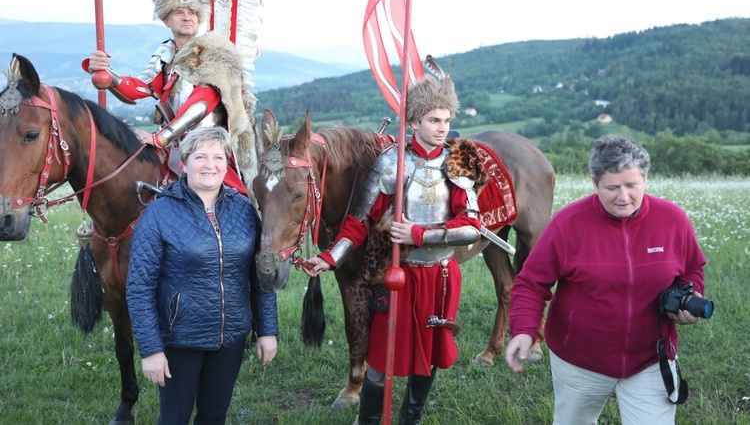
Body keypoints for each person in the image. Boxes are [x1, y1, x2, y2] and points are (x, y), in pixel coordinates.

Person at [304, 73, 482, 424]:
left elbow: (472, 227)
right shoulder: (390, 162)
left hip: (440, 275)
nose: (443, 128)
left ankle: (410, 419)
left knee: (429, 354)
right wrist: (330, 257)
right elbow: (358, 221)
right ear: (414, 122)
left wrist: (418, 233)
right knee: (381, 355)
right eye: (434, 120)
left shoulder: (458, 162)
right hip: (397, 276)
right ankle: (369, 420)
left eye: (447, 120)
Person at [505, 134, 707, 425]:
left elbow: (692, 270)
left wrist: (691, 295)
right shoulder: (567, 224)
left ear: (645, 179)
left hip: (651, 358)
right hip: (579, 361)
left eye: (631, 185)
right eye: (612, 187)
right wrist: (524, 329)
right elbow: (531, 283)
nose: (623, 196)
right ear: (595, 183)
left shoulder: (673, 220)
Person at [127, 126, 278, 424]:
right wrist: (151, 350)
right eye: (200, 157)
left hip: (231, 337)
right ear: (184, 163)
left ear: (227, 163)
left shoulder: (245, 210)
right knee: (174, 417)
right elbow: (139, 287)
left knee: (214, 416)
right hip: (180, 339)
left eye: (218, 156)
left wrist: (267, 330)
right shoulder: (159, 214)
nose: (210, 164)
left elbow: (260, 276)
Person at [83, 0, 253, 196]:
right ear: (166, 20)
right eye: (179, 12)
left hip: (208, 142)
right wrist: (107, 74)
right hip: (171, 144)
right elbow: (143, 88)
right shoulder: (167, 53)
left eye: (192, 12)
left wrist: (159, 137)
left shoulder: (215, 52)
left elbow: (201, 103)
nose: (187, 17)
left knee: (230, 198)